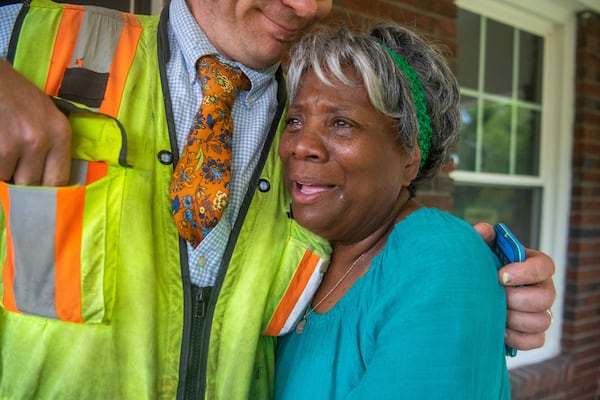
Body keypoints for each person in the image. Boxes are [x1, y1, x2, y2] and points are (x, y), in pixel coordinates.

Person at [0, 0, 553, 399]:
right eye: (304, 123)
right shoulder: (28, 38)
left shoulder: (311, 94)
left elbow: (382, 227)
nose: (309, 6)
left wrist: (471, 279)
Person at [275, 23, 510, 398]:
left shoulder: (441, 259)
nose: (302, 145)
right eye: (295, 120)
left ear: (409, 158)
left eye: (341, 124)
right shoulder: (304, 249)